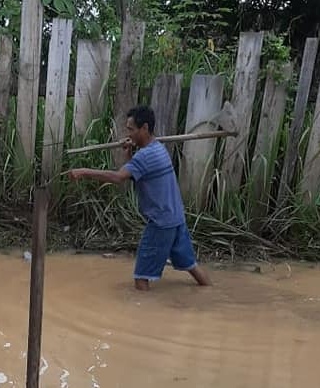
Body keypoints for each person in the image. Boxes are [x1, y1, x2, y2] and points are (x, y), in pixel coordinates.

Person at [68, 105, 212, 291]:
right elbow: (138, 173)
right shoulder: (158, 149)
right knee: (191, 266)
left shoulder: (146, 156)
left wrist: (83, 172)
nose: (128, 133)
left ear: (144, 128)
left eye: (131, 129)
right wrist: (128, 155)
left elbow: (118, 178)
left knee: (141, 278)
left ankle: (144, 313)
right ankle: (210, 290)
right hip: (176, 219)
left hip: (160, 224)